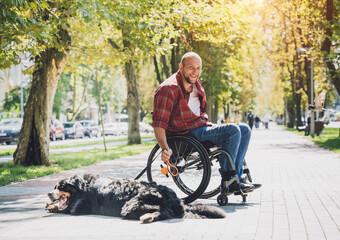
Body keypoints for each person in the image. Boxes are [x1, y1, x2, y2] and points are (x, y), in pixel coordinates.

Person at [152, 52, 261, 194]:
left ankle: (237, 178)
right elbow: (159, 123)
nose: (195, 72)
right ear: (181, 67)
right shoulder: (168, 88)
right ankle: (228, 178)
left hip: (201, 127)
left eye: (198, 68)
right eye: (191, 67)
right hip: (187, 134)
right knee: (232, 130)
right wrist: (165, 148)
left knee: (245, 129)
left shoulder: (195, 83)